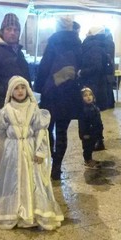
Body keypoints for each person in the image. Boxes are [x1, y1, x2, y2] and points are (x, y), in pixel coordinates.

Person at [0, 75, 64, 230]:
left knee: (32, 179)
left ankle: (33, 211)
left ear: (28, 89)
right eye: (16, 88)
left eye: (23, 87)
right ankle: (13, 212)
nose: (20, 91)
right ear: (10, 92)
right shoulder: (6, 110)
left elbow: (41, 132)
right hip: (13, 151)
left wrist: (40, 151)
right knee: (13, 180)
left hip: (30, 149)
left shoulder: (34, 109)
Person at [34, 16, 83, 180]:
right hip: (69, 95)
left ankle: (50, 158)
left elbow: (44, 68)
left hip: (52, 94)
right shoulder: (78, 43)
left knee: (48, 128)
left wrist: (39, 88)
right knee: (63, 131)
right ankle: (57, 167)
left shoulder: (53, 42)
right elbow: (80, 68)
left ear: (57, 27)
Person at [78, 26, 108, 151]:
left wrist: (82, 72)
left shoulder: (93, 46)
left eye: (89, 32)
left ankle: (96, 140)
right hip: (95, 84)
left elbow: (96, 66)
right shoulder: (97, 45)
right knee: (92, 114)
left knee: (92, 115)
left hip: (93, 84)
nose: (86, 33)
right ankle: (96, 140)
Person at [78, 87, 103, 169]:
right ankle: (87, 160)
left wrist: (100, 129)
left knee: (92, 146)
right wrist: (83, 134)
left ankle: (90, 159)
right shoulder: (83, 110)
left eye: (90, 95)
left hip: (94, 132)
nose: (88, 97)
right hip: (87, 133)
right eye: (85, 95)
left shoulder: (94, 107)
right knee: (87, 147)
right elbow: (82, 124)